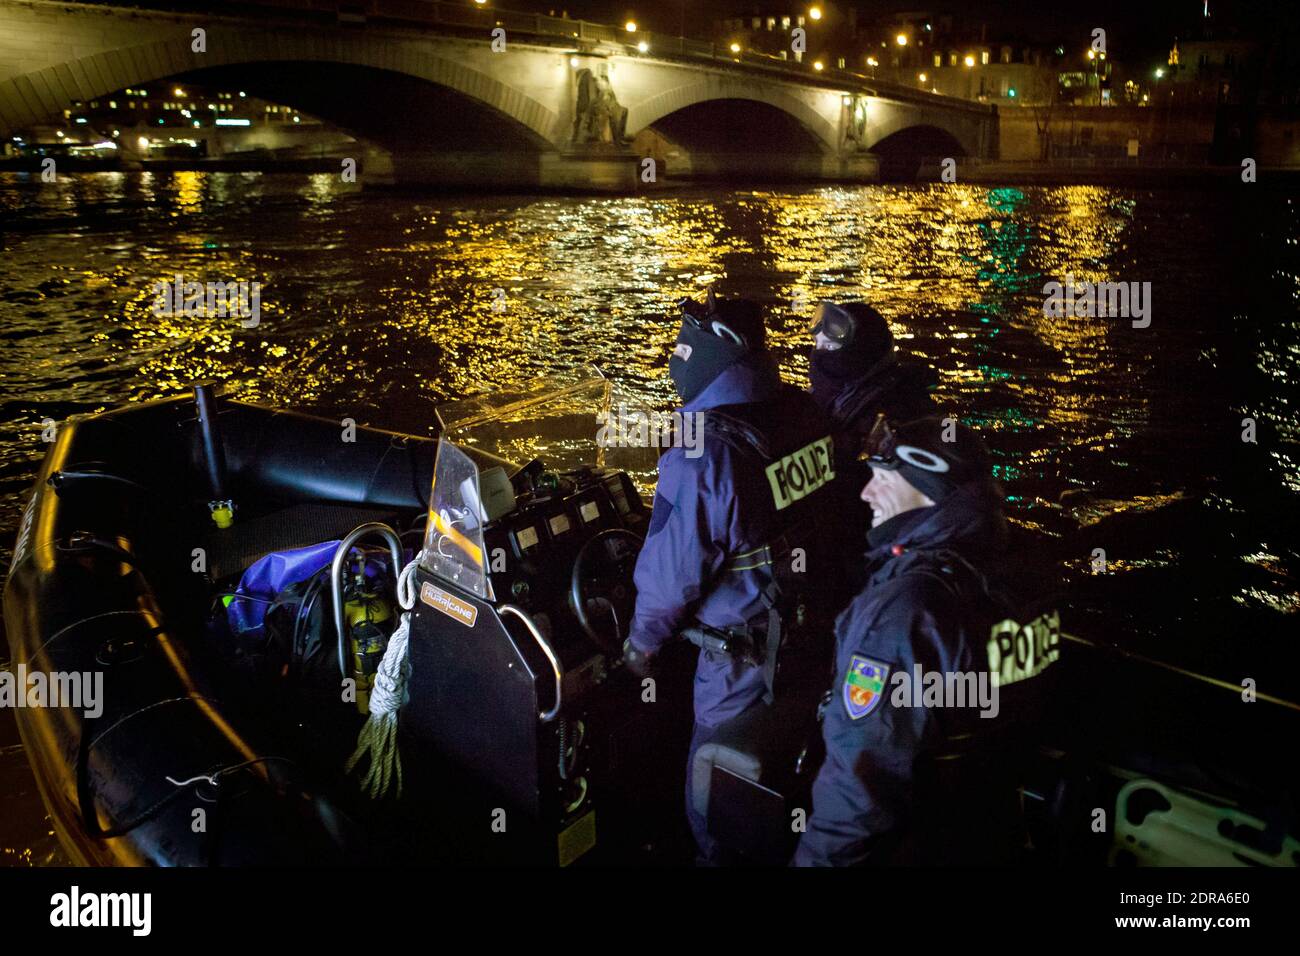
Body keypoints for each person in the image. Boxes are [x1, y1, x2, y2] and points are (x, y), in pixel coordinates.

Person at [622, 289, 837, 864]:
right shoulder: (802, 412)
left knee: (714, 809)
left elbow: (669, 582)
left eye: (679, 349)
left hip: (742, 665)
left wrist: (639, 647)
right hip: (816, 640)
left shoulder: (702, 454)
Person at [794, 415, 1055, 866]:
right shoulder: (1019, 572)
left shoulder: (906, 610)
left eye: (881, 478)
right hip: (990, 825)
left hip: (914, 840)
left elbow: (862, 787)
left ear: (925, 488)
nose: (865, 493)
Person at [808, 301, 938, 598]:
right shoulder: (844, 399)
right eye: (817, 346)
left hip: (868, 570)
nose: (817, 357)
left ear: (858, 354)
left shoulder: (891, 417)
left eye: (828, 349)